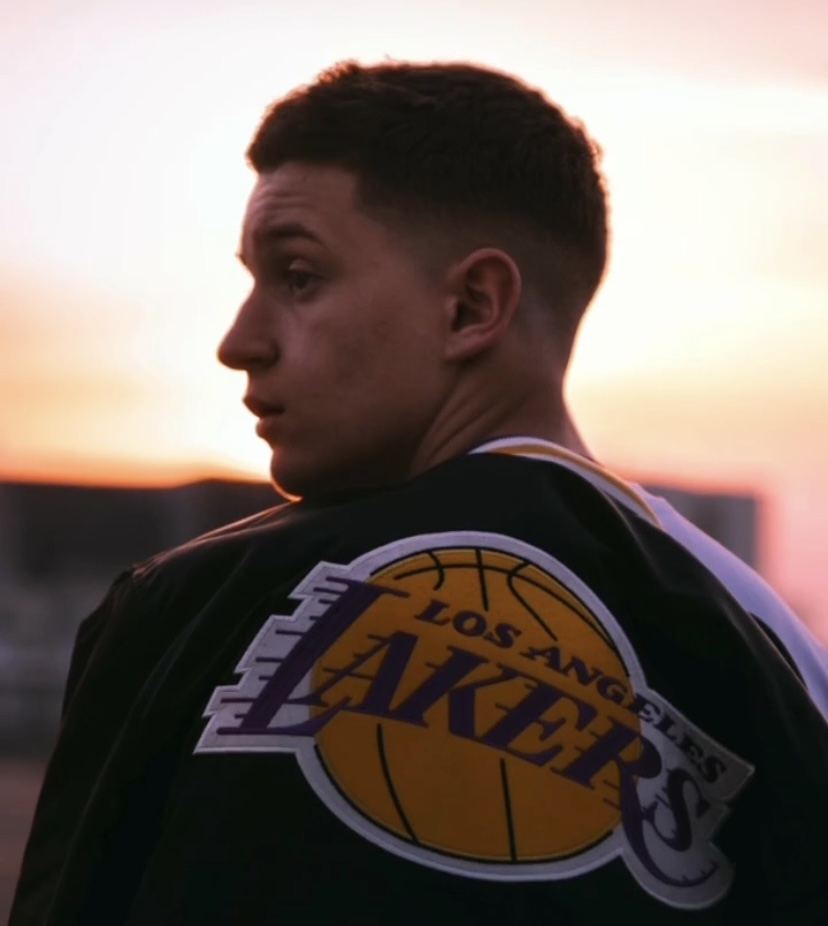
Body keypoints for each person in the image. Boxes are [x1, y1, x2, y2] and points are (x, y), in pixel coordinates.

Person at [10, 60, 828, 925]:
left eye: (298, 277)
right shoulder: (775, 656)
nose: (238, 341)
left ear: (472, 306)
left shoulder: (197, 596)